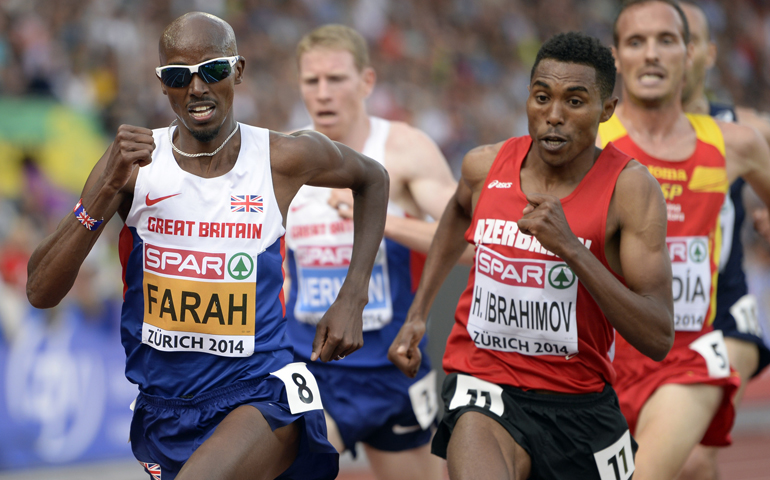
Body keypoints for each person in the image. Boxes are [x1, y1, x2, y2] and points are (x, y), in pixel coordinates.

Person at [25, 12, 389, 480]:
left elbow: (372, 178)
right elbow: (39, 291)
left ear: (237, 71)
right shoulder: (133, 165)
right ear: (162, 85)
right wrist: (101, 194)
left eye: (212, 70)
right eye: (178, 76)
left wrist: (352, 296)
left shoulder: (283, 157)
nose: (196, 88)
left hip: (260, 392)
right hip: (164, 407)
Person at [389, 31, 675, 479]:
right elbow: (455, 217)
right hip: (483, 384)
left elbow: (658, 337)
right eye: (542, 97)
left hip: (579, 404)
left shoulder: (630, 190)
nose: (553, 116)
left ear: (606, 110)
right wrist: (418, 312)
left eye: (575, 102)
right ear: (528, 99)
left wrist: (572, 251)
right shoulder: (484, 167)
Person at [598, 1, 770, 478]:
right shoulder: (589, 142)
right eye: (637, 42)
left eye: (666, 41)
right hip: (598, 361)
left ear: (689, 53)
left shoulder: (735, 143)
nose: (651, 54)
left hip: (689, 355)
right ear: (617, 56)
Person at [283, 24, 454, 480]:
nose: (323, 93)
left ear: (366, 82)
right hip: (310, 365)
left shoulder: (404, 150)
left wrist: (380, 219)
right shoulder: (282, 159)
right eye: (311, 81)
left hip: (392, 367)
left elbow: (474, 241)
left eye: (336, 79)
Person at [677, 2, 770, 478]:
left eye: (687, 38)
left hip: (726, 313)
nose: (676, 50)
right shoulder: (617, 134)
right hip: (647, 318)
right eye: (664, 39)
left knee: (690, 452)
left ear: (709, 53)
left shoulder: (740, 127)